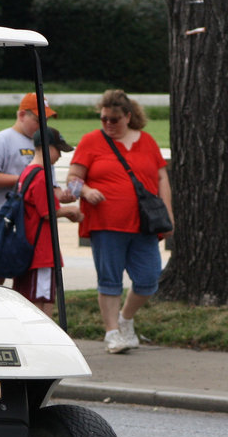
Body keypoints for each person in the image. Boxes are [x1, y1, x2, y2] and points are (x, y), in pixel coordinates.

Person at [66, 89, 173, 354]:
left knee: (149, 279)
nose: (108, 124)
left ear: (128, 116)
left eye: (114, 119)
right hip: (105, 223)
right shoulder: (91, 141)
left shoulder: (146, 141)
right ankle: (112, 333)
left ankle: (126, 319)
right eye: (103, 119)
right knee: (109, 280)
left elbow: (162, 179)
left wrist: (168, 214)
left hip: (143, 223)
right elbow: (73, 179)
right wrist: (87, 191)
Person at [0, 92, 62, 284]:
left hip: (29, 226)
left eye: (46, 120)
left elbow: (50, 186)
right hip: (2, 224)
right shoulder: (3, 139)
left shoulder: (43, 144)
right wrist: (26, 179)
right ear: (22, 115)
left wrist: (64, 195)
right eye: (39, 120)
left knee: (25, 279)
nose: (43, 125)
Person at [12, 127, 83, 317]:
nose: (59, 155)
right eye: (58, 150)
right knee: (42, 302)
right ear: (46, 147)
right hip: (41, 252)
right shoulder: (42, 175)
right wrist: (71, 211)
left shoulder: (28, 172)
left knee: (30, 297)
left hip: (30, 248)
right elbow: (47, 213)